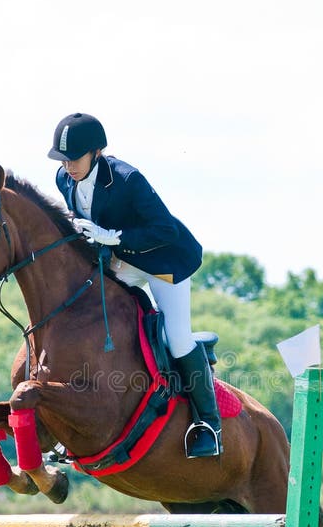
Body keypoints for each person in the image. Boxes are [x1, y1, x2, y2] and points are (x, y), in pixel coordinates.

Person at [47, 112, 222, 458]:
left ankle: (208, 424)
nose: (68, 166)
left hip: (162, 261)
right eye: (63, 159)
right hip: (119, 263)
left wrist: (113, 237)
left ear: (97, 152)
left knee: (177, 336)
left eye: (75, 158)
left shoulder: (128, 179)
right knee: (91, 322)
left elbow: (164, 230)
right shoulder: (64, 179)